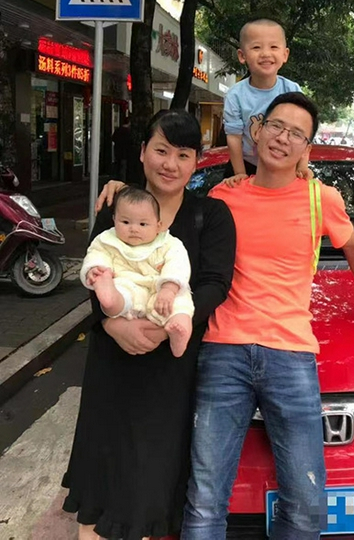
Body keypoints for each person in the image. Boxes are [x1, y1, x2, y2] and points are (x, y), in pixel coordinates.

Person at [182, 92, 354, 540]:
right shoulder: (223, 195)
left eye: (296, 133)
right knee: (205, 501)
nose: (282, 138)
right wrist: (120, 196)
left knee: (306, 506)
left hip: (290, 355)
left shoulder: (319, 198)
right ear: (257, 130)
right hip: (223, 351)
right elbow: (169, 222)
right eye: (276, 126)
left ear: (306, 148)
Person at [62, 109, 236, 540]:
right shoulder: (115, 208)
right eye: (161, 150)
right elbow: (96, 269)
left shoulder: (211, 215)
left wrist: (161, 330)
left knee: (148, 482)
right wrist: (111, 325)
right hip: (112, 366)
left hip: (170, 370)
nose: (170, 164)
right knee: (101, 480)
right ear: (142, 152)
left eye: (183, 154)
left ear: (196, 162)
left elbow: (215, 284)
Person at [80, 185, 194, 358]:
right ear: (114, 219)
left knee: (181, 301)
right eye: (125, 222)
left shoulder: (168, 243)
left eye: (143, 224)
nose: (134, 229)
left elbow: (178, 264)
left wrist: (169, 288)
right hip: (128, 283)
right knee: (120, 291)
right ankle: (110, 301)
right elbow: (97, 253)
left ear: (158, 226)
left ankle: (179, 331)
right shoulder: (108, 240)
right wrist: (96, 269)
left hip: (161, 290)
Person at [222, 18, 309, 182]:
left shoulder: (292, 90)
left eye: (273, 47)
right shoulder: (235, 95)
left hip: (283, 164)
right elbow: (234, 137)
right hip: (246, 164)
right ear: (242, 55)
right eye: (256, 47)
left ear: (285, 54)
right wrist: (239, 173)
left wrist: (302, 166)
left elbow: (303, 131)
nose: (266, 54)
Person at [112, 116, 131, 180]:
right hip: (125, 152)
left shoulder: (118, 130)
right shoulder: (128, 131)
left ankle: (116, 177)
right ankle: (122, 179)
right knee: (123, 167)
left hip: (117, 150)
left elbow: (113, 138)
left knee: (118, 165)